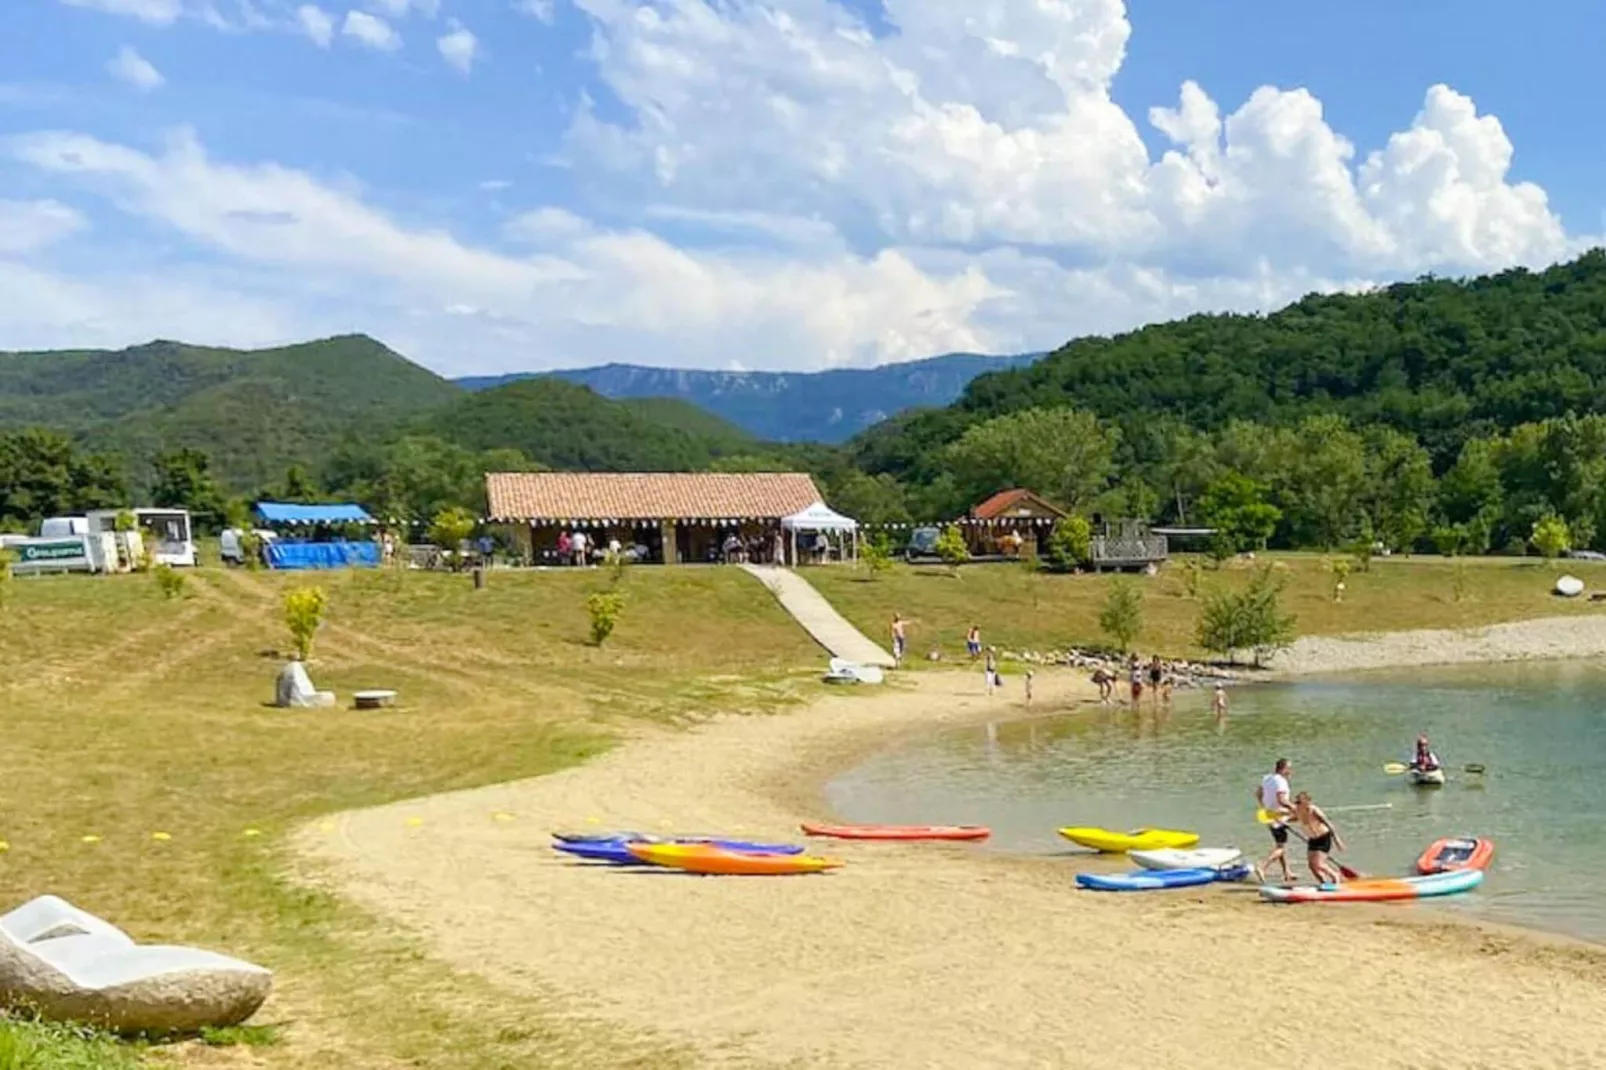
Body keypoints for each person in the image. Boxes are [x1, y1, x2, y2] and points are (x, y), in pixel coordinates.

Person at [1252, 758, 1295, 884]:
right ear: (1284, 769)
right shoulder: (1281, 782)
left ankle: (1287, 872)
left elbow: (1258, 793)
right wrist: (1295, 808)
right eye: (1289, 768)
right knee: (1280, 847)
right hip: (1280, 816)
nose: (1291, 771)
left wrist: (1264, 807)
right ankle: (1262, 866)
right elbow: (1281, 800)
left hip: (1268, 816)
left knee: (1280, 844)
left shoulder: (1268, 778)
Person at [1292, 791, 1346, 884]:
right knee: (1312, 866)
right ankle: (1324, 883)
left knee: (1319, 864)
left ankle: (1335, 876)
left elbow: (1329, 824)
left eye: (1299, 802)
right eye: (1296, 803)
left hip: (1323, 838)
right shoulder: (1298, 811)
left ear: (1307, 801)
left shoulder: (1314, 810)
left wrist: (1337, 840)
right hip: (1312, 840)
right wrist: (1280, 820)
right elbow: (1294, 818)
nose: (1297, 804)